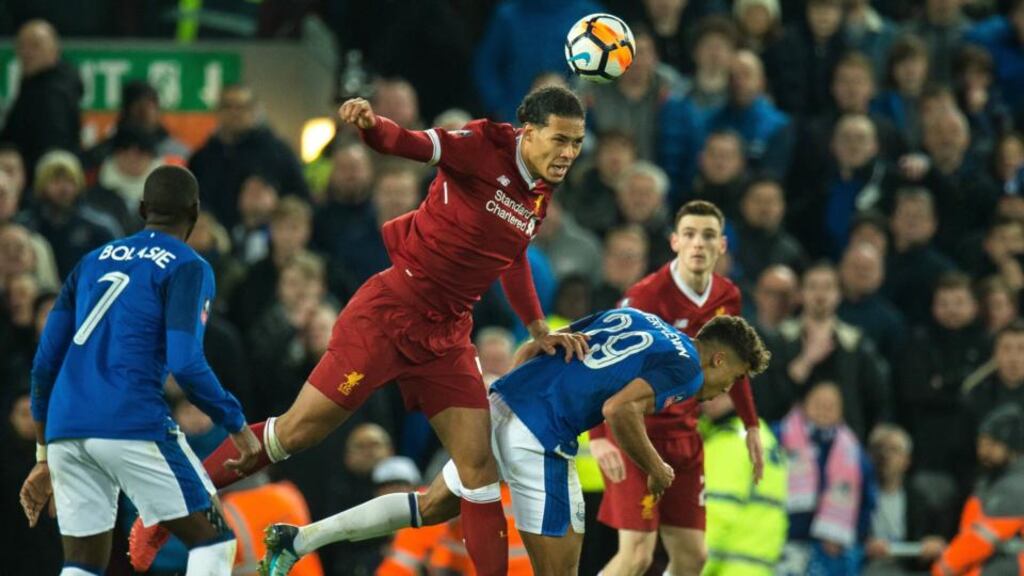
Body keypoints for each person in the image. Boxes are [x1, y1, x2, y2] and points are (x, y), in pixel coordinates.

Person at [132, 86, 590, 576]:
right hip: (391, 314)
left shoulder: (541, 188)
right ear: (528, 131)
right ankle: (166, 508)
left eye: (577, 143)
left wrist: (538, 327)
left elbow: (513, 254)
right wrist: (372, 126)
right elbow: (409, 144)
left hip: (448, 334)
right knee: (294, 433)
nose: (568, 153)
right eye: (559, 139)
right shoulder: (483, 145)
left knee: (478, 472)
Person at [261, 309, 772, 575]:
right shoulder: (685, 366)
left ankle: (298, 540)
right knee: (562, 568)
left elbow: (541, 344)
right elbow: (619, 410)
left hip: (503, 402)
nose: (726, 391)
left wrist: (517, 392)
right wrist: (657, 466)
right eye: (734, 378)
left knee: (434, 504)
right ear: (720, 358)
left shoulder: (638, 318)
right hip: (540, 435)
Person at [17, 165, 260, 576]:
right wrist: (237, 424)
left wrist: (43, 455)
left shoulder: (91, 261)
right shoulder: (188, 265)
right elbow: (185, 364)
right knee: (215, 539)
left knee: (82, 564)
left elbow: (44, 365)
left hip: (64, 427)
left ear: (143, 208)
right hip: (131, 420)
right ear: (195, 212)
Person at [591, 200, 767, 576]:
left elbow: (734, 363)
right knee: (636, 555)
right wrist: (598, 436)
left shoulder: (727, 296)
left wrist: (751, 424)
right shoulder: (645, 298)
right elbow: (604, 365)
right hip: (636, 435)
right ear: (674, 242)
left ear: (722, 245)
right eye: (689, 234)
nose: (698, 244)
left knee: (692, 558)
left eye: (708, 235)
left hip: (684, 436)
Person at [700, 391, 788, 575]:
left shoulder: (730, 441)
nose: (709, 397)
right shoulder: (762, 435)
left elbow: (717, 514)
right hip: (756, 566)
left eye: (722, 391)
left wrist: (687, 568)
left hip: (726, 567)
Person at [931, 405, 1024, 576]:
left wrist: (943, 568)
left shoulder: (1015, 487)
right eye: (981, 443)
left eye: (990, 445)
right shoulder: (991, 481)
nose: (983, 451)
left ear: (1011, 448)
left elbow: (979, 539)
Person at [0, 20, 82, 174]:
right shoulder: (34, 83)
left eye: (35, 45)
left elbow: (53, 148)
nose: (26, 52)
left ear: (54, 50)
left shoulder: (54, 93)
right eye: (21, 46)